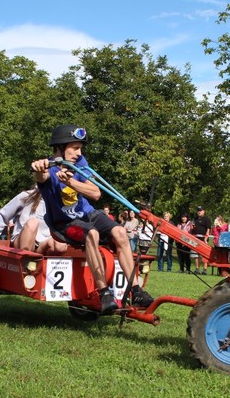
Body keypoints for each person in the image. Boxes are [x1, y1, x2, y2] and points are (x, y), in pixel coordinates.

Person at [30, 124, 154, 314]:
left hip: (88, 213)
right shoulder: (49, 169)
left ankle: (136, 291)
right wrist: (38, 168)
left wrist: (71, 182)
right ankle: (104, 294)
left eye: (80, 148)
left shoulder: (79, 162)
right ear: (60, 148)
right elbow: (41, 176)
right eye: (75, 148)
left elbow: (95, 193)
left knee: (120, 232)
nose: (79, 153)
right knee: (92, 234)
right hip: (64, 223)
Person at [0, 187, 67, 255]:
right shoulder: (26, 196)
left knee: (61, 245)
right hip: (22, 241)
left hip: (42, 244)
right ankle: (25, 262)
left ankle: (41, 264)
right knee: (33, 222)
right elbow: (3, 214)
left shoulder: (60, 202)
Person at [192, 206, 212, 275]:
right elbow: (193, 228)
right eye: (198, 210)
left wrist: (206, 238)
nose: (199, 212)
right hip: (196, 239)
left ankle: (205, 270)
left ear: (204, 211)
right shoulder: (195, 219)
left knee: (204, 255)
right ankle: (197, 269)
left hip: (203, 240)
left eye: (200, 210)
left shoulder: (207, 219)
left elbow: (208, 229)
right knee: (196, 255)